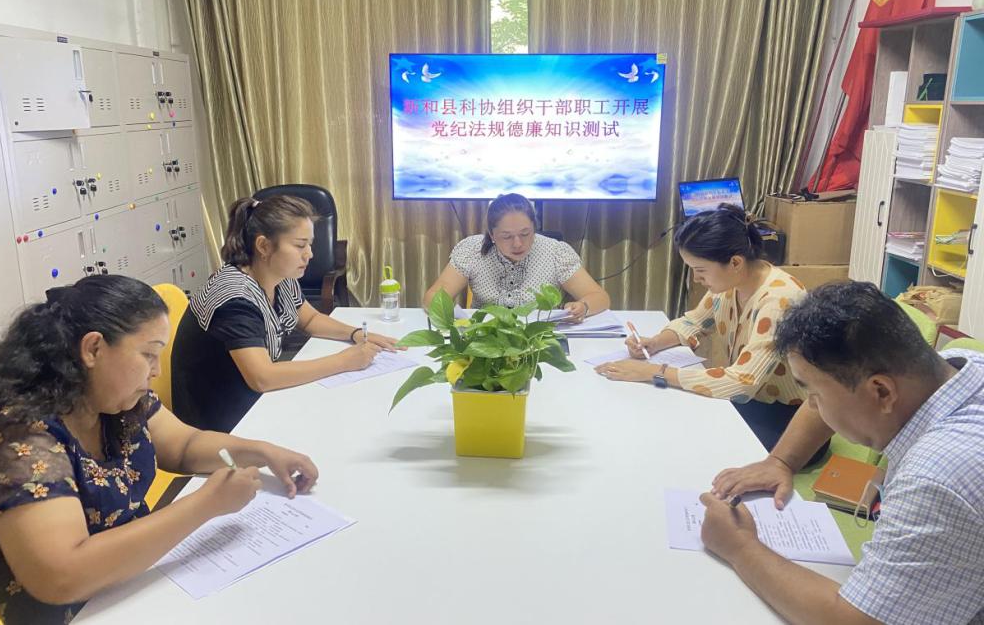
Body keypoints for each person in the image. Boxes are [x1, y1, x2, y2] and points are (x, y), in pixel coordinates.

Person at [0, 275, 319, 625]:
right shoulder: (18, 438)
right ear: (93, 349)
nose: (156, 371)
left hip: (121, 584)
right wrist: (207, 503)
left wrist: (262, 451)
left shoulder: (114, 400)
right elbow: (62, 576)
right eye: (148, 354)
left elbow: (184, 445)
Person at [699, 281, 984, 624]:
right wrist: (781, 460)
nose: (812, 406)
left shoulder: (934, 478)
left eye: (815, 395)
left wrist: (740, 547)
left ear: (882, 392)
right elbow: (833, 392)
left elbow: (857, 620)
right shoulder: (959, 365)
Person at [595, 204, 819, 457]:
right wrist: (655, 343)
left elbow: (741, 383)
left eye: (700, 270)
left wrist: (654, 372)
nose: (696, 279)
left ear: (735, 262)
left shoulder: (779, 300)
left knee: (687, 439)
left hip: (793, 421)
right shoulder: (732, 283)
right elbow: (694, 322)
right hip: (754, 404)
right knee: (673, 418)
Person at [172, 195, 401, 432]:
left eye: (310, 244)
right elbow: (263, 378)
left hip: (250, 402)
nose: (309, 254)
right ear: (264, 246)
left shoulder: (279, 277)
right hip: (217, 424)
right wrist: (344, 361)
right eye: (300, 245)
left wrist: (356, 334)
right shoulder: (234, 299)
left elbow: (310, 319)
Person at [423, 192, 610, 320]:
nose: (518, 243)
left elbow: (599, 297)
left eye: (525, 233)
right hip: (486, 340)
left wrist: (583, 307)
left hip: (538, 341)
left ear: (534, 228)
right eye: (507, 236)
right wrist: (451, 316)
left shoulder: (555, 252)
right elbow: (432, 297)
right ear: (491, 234)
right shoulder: (472, 250)